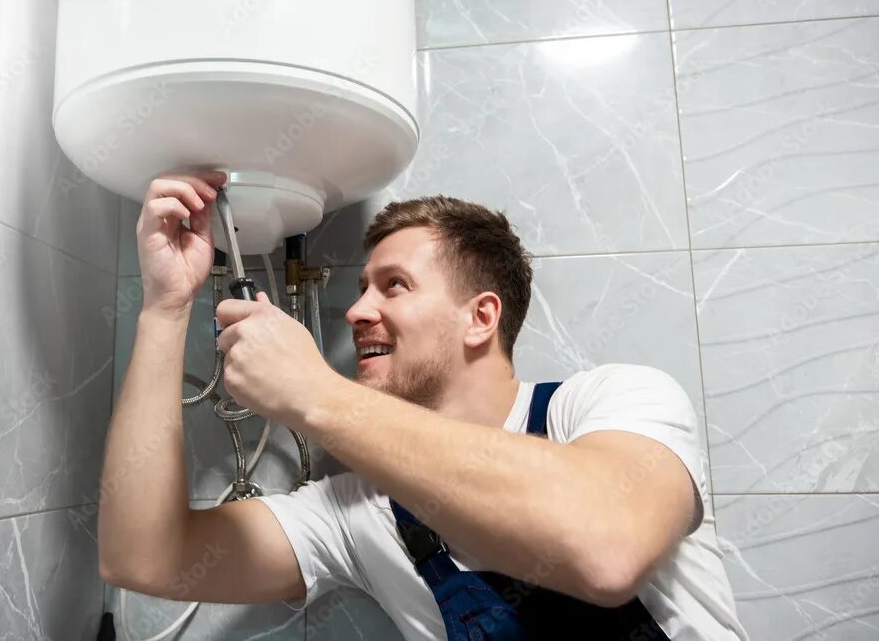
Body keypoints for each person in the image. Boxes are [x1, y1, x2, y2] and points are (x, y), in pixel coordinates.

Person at [99, 172, 748, 640]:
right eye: (360, 289)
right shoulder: (356, 512)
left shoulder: (611, 403)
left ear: (480, 317)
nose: (355, 312)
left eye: (395, 286)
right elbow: (143, 556)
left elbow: (605, 548)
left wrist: (316, 392)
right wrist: (165, 308)